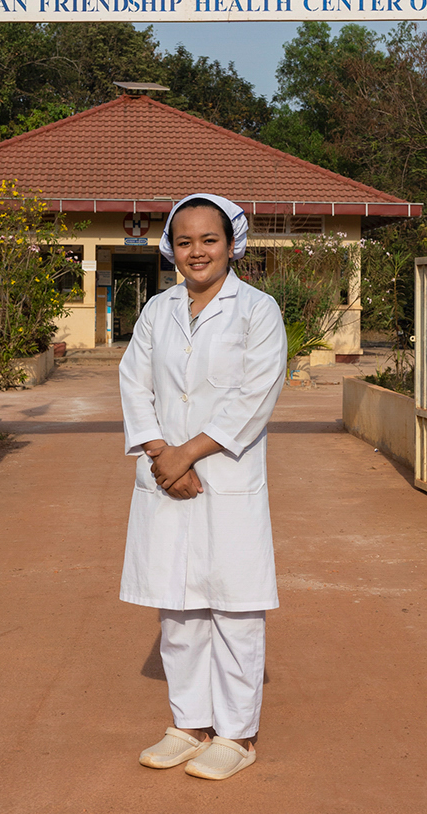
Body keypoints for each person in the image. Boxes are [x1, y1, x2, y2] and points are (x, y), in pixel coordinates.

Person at [118, 192, 287, 782]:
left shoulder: (257, 310)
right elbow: (134, 382)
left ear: (231, 244)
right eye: (184, 241)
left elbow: (256, 396)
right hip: (166, 476)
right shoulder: (157, 310)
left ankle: (237, 734)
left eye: (209, 240)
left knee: (235, 609)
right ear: (171, 248)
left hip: (227, 475)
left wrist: (186, 453)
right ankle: (189, 725)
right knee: (179, 609)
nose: (197, 251)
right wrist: (160, 454)